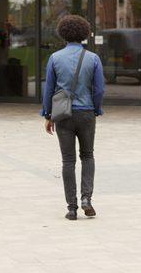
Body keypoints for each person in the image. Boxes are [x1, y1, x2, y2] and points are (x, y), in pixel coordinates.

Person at [41, 14, 105, 220]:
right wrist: (96, 109)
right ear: (84, 34)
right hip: (86, 113)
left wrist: (48, 114)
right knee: (87, 155)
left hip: (63, 115)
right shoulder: (93, 58)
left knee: (67, 160)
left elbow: (49, 89)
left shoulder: (55, 58)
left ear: (63, 34)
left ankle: (71, 207)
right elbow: (99, 89)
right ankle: (87, 198)